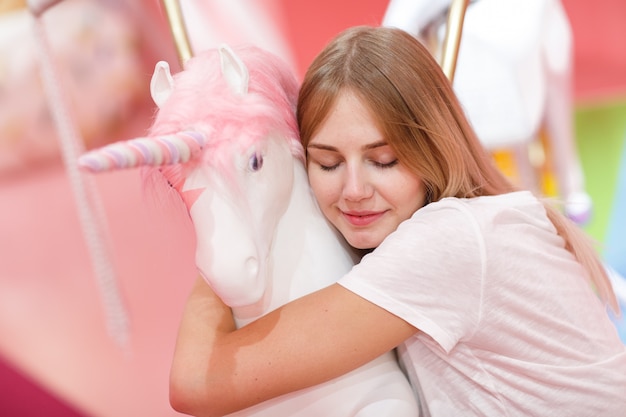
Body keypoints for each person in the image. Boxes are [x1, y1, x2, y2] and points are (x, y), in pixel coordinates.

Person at [169, 26, 626, 417]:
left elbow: (197, 381)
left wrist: (224, 212)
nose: (353, 189)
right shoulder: (474, 224)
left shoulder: (447, 242)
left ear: (432, 148)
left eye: (383, 160)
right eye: (327, 164)